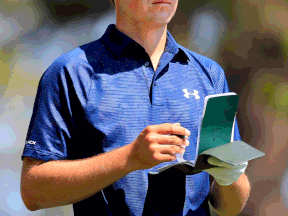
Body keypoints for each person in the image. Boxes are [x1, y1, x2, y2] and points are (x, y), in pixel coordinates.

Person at [20, 0, 251, 215]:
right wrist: (129, 158)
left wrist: (230, 177)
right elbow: (34, 192)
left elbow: (228, 208)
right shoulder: (71, 72)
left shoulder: (210, 74)